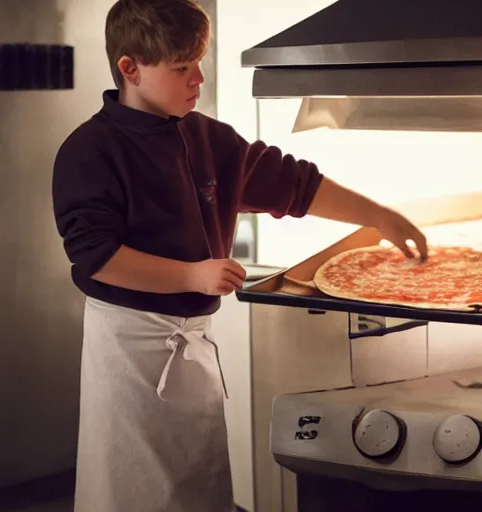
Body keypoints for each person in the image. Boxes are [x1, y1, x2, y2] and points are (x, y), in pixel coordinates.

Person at [51, 1, 428, 511]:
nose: (197, 78)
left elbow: (295, 184)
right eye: (182, 67)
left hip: (192, 345)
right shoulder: (88, 151)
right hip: (128, 351)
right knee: (130, 492)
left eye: (199, 63)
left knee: (198, 490)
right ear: (130, 68)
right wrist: (193, 275)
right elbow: (97, 258)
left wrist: (379, 215)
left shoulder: (209, 138)